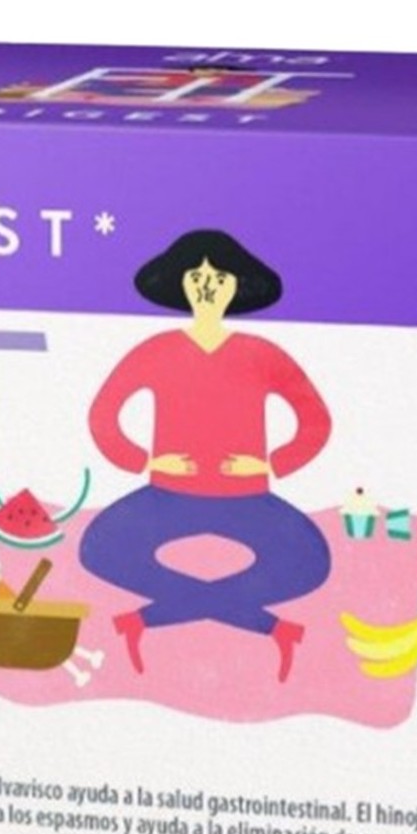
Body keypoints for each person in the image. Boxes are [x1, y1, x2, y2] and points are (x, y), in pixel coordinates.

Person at [80, 229, 333, 682]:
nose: (207, 287)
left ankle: (144, 620)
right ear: (181, 284)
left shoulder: (262, 353)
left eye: (218, 278)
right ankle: (272, 628)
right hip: (166, 497)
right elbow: (103, 414)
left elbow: (316, 421)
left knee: (312, 564)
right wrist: (146, 462)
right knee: (98, 551)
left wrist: (270, 464)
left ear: (237, 285)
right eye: (196, 277)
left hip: (249, 499)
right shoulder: (157, 350)